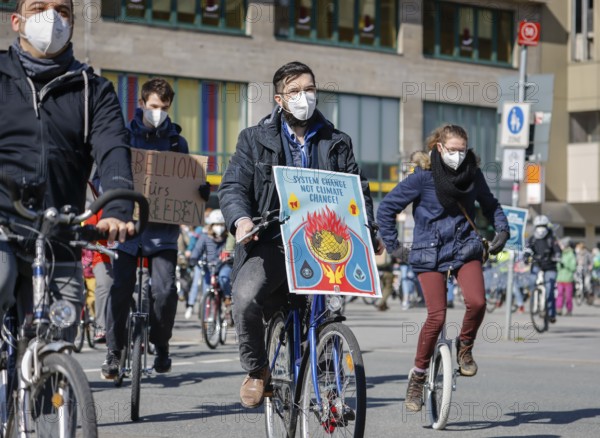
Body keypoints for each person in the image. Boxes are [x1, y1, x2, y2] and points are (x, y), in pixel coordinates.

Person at [218, 61, 382, 409]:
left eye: (309, 89)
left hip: (326, 242)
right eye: (295, 91)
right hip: (273, 241)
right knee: (246, 299)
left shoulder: (337, 141)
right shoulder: (253, 139)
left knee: (328, 315)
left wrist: (371, 229)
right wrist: (241, 220)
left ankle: (329, 389)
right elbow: (233, 186)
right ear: (279, 99)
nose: (304, 97)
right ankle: (257, 369)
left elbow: (358, 190)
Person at [0, 0, 135, 335]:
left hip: (60, 229)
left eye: (62, 11)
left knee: (62, 327)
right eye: (38, 8)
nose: (52, 18)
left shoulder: (94, 90)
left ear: (72, 23)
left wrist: (117, 208)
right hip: (2, 222)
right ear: (16, 21)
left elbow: (113, 150)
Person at [377, 124, 509, 412]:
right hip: (428, 253)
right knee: (436, 317)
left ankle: (465, 347)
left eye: (463, 150)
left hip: (465, 248)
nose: (458, 156)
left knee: (478, 301)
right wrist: (395, 246)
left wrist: (502, 229)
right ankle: (418, 375)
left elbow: (491, 204)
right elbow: (386, 208)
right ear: (439, 147)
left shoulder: (472, 175)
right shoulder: (422, 179)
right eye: (452, 150)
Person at [101, 78, 199, 379]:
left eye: (165, 107)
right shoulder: (123, 137)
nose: (159, 112)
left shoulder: (176, 142)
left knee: (165, 290)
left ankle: (161, 345)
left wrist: (199, 191)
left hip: (163, 233)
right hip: (127, 230)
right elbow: (106, 172)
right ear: (142, 104)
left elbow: (187, 183)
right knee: (120, 289)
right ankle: (114, 353)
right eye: (154, 106)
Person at [187, 209, 232, 319]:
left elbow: (231, 250)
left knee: (224, 278)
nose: (219, 227)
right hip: (209, 267)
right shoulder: (205, 236)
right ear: (211, 225)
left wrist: (230, 256)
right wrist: (193, 259)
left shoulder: (228, 238)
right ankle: (205, 319)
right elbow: (197, 249)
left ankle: (227, 298)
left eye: (221, 224)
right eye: (216, 224)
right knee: (206, 290)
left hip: (223, 265)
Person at [526, 214, 561, 324]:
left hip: (550, 266)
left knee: (550, 289)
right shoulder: (532, 238)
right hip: (536, 265)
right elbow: (527, 248)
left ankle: (551, 314)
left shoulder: (552, 238)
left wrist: (557, 256)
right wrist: (525, 256)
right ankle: (533, 305)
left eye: (543, 225)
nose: (540, 228)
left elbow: (557, 250)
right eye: (538, 225)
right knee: (531, 283)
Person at [556, 237, 577, 316]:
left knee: (568, 296)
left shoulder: (571, 254)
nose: (561, 246)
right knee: (559, 294)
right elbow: (558, 267)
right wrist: (559, 264)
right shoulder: (560, 253)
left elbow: (573, 267)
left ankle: (569, 310)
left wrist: (565, 264)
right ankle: (559, 309)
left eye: (562, 245)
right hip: (560, 278)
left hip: (568, 279)